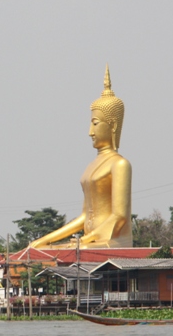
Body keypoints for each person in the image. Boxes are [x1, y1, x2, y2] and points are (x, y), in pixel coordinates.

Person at [30, 65, 132, 249]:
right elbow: (85, 217)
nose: (90, 132)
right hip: (89, 240)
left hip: (113, 242)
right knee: (45, 250)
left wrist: (86, 240)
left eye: (95, 124)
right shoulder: (92, 165)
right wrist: (44, 240)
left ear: (113, 125)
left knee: (76, 250)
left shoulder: (120, 164)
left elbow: (120, 216)